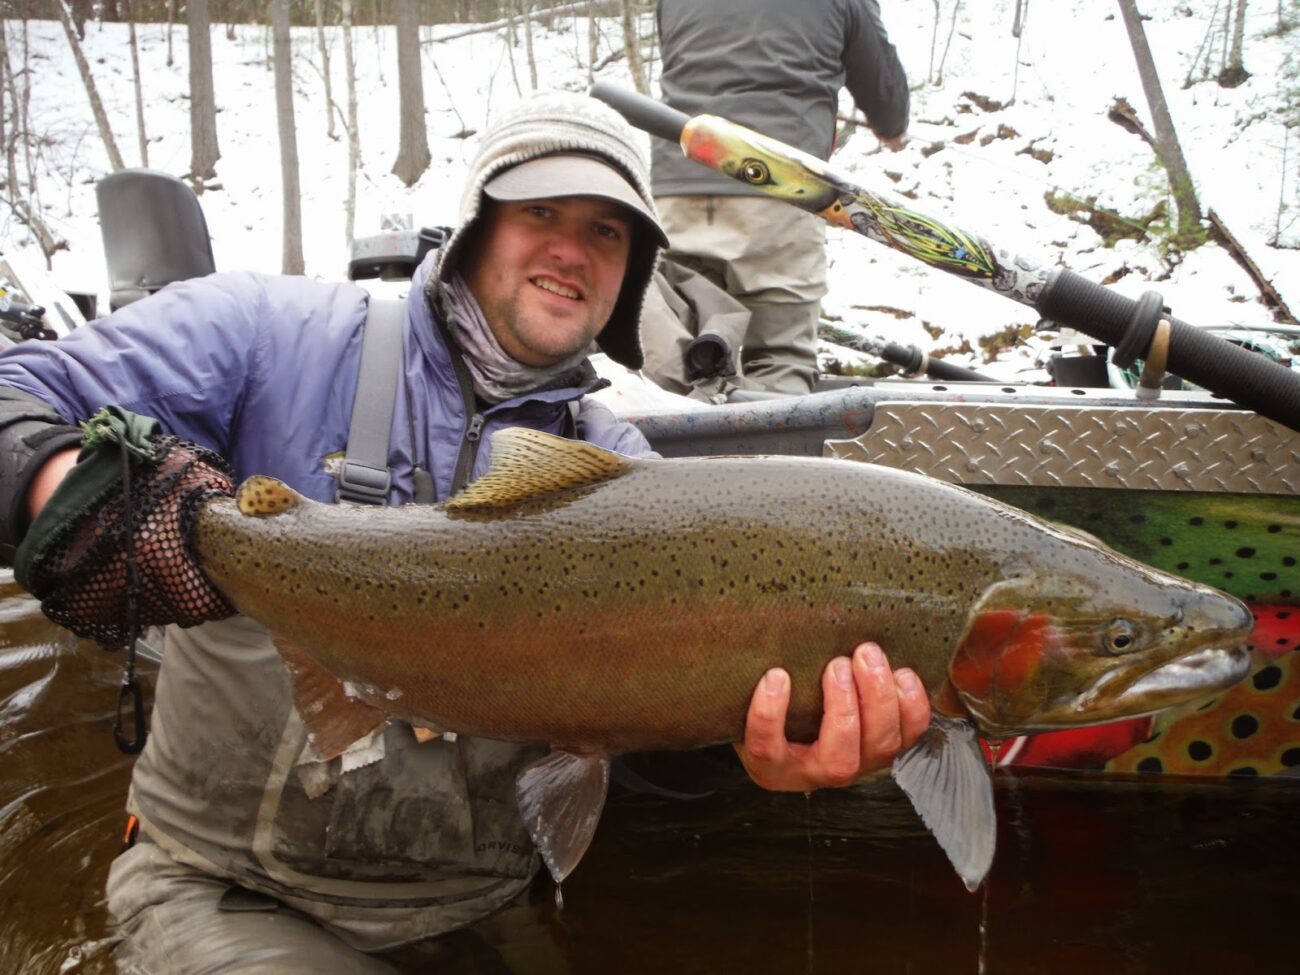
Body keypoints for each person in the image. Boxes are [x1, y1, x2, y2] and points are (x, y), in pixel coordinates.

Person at [0, 91, 930, 972]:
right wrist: (81, 495)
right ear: (478, 224)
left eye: (606, 231)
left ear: (631, 272)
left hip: (477, 908)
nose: (573, 251)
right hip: (226, 891)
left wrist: (762, 754)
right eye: (541, 214)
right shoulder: (264, 338)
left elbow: (641, 741)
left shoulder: (626, 478)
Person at [642, 0, 910, 397]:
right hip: (777, 190)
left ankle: (661, 454)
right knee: (779, 361)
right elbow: (886, 104)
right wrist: (893, 130)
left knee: (674, 357)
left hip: (675, 192)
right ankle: (771, 457)